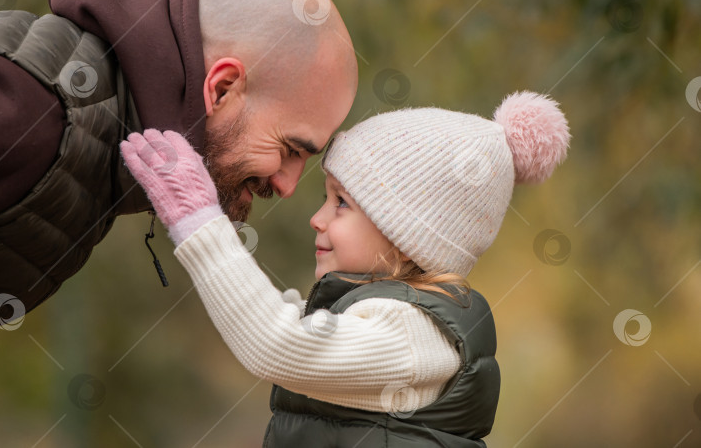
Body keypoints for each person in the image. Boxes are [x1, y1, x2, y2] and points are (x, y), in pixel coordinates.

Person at [0, 0, 357, 364]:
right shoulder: (35, 116)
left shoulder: (97, 141)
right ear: (221, 88)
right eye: (291, 150)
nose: (289, 184)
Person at [120, 91, 570, 447]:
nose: (318, 218)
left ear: (405, 233)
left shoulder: (410, 334)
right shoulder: (389, 319)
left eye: (342, 203)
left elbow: (277, 342)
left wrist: (199, 222)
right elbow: (288, 325)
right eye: (325, 198)